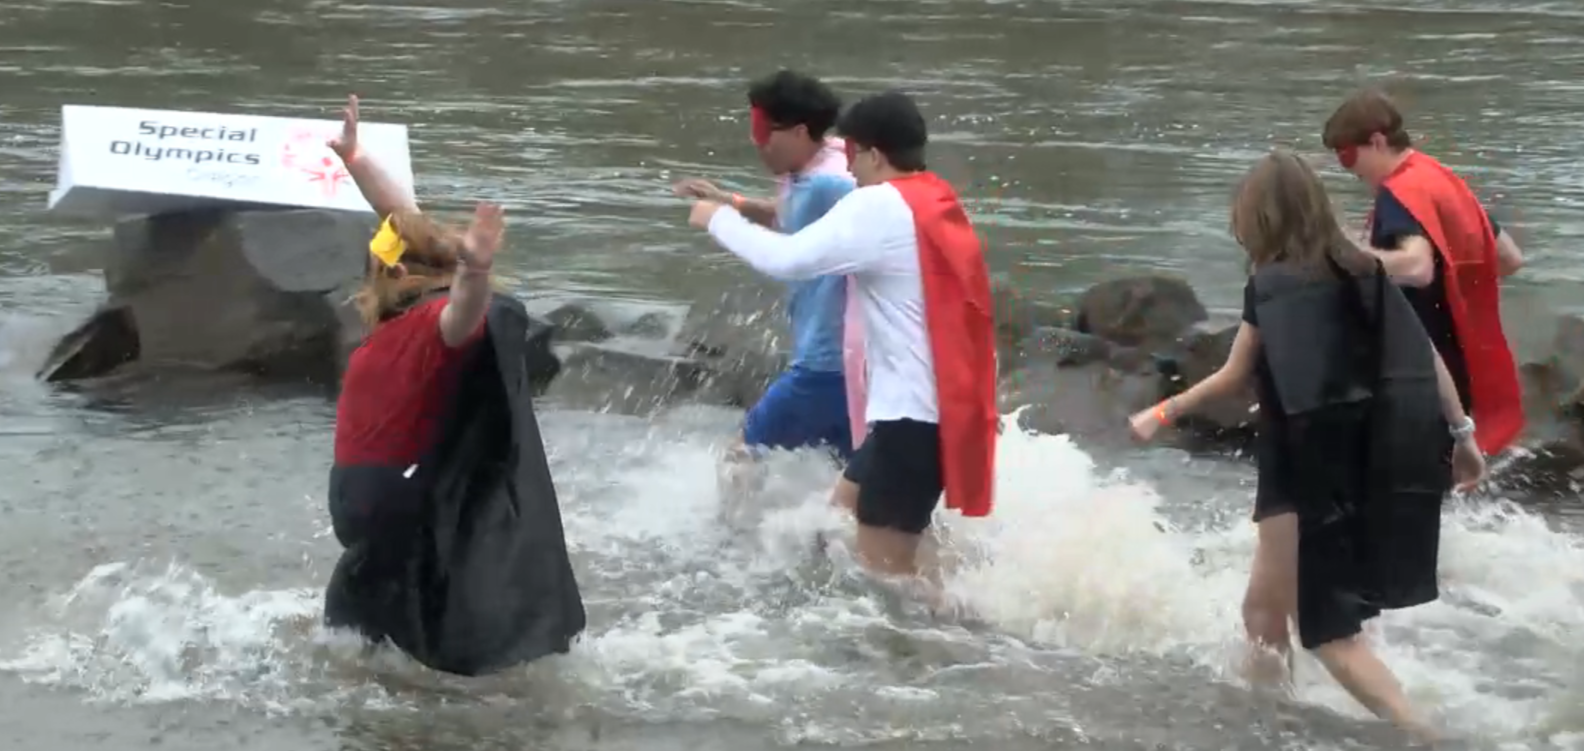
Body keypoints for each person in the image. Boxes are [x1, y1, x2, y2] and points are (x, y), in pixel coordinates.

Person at [1129, 150, 1486, 739]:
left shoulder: (1271, 286)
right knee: (1262, 613)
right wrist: (1462, 434)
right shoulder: (1365, 271)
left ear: (1258, 218)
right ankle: (1271, 723)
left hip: (1299, 469)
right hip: (1360, 460)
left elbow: (1234, 375)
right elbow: (1422, 357)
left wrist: (1163, 411)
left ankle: (1425, 736)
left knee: (1327, 633)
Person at [683, 89, 998, 578]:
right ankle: (975, 594)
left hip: (912, 423)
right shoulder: (932, 198)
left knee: (888, 580)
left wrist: (718, 219)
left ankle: (972, 625)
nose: (847, 165)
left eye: (852, 152)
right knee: (838, 521)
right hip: (926, 412)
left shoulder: (879, 205)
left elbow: (788, 259)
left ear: (875, 154)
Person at [322, 94, 585, 675]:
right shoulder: (416, 319)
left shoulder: (412, 325)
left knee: (365, 634)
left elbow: (457, 307)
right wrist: (356, 160)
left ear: (393, 274)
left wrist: (476, 270)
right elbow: (409, 231)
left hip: (366, 497)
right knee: (392, 624)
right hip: (387, 494)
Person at [674, 70, 864, 470]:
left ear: (798, 132)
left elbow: (785, 252)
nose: (756, 142)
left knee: (740, 455)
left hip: (824, 364)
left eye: (764, 131)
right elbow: (787, 215)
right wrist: (731, 201)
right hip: (857, 365)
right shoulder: (825, 159)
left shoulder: (828, 186)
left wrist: (718, 218)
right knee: (857, 477)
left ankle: (725, 517)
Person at [1323, 87, 1525, 456]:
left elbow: (1417, 267)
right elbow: (1509, 258)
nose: (1347, 169)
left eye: (1347, 155)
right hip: (1464, 361)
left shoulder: (1398, 193)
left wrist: (1345, 257)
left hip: (1421, 367)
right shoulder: (1443, 180)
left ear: (1378, 142)